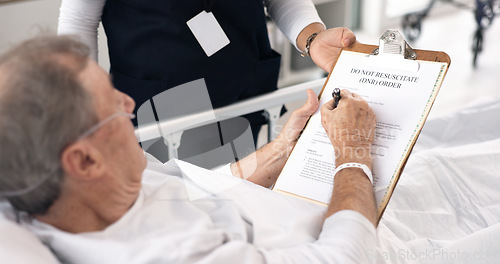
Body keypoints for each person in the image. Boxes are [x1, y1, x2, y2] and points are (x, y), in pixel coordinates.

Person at [0, 36, 377, 263]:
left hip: (296, 207)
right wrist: (353, 150)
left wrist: (282, 149)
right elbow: (344, 258)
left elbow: (197, 189)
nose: (130, 104)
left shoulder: (101, 180)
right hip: (351, 237)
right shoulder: (171, 254)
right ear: (84, 161)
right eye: (112, 105)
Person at [57, 0, 357, 163]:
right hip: (158, 102)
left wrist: (313, 37)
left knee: (240, 199)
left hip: (244, 95)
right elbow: (78, 22)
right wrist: (84, 108)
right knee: (174, 207)